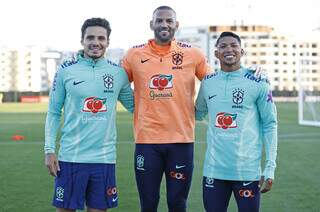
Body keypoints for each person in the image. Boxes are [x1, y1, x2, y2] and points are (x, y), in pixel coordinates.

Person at [121, 5, 211, 212]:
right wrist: (133, 106)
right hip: (146, 141)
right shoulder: (134, 54)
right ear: (151, 24)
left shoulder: (193, 54)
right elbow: (116, 83)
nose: (164, 24)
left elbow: (214, 81)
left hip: (181, 142)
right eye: (159, 20)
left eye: (169, 21)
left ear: (176, 25)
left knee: (177, 204)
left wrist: (200, 111)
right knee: (148, 203)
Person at [44, 18, 134, 212]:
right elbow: (53, 112)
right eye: (90, 37)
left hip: (104, 159)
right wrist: (49, 149)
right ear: (82, 40)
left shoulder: (118, 73)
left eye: (101, 38)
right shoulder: (66, 71)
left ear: (108, 42)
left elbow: (138, 108)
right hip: (70, 157)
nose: (96, 42)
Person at [195, 31, 278, 212]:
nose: (229, 49)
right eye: (223, 46)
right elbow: (197, 113)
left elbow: (270, 124)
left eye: (234, 45)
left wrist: (270, 167)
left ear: (242, 51)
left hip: (247, 171)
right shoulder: (208, 82)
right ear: (216, 54)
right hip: (213, 171)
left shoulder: (258, 81)